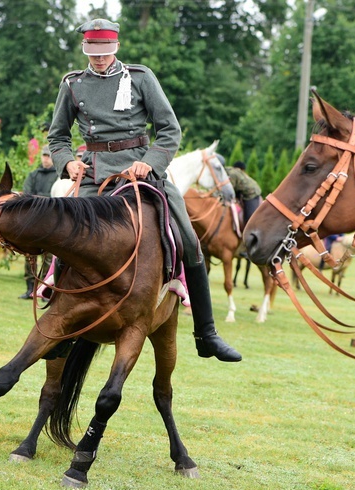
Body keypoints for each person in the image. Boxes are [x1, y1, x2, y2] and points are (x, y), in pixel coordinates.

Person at [47, 18, 240, 362]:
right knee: (67, 236)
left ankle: (206, 333)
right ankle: (60, 324)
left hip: (142, 168)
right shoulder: (73, 84)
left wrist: (150, 162)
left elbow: (170, 130)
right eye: (93, 52)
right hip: (94, 174)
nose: (99, 58)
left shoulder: (140, 77)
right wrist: (67, 162)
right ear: (85, 49)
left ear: (116, 47)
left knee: (187, 238)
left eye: (105, 52)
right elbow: (58, 136)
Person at [18, 145, 57, 299]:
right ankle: (29, 289)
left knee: (48, 259)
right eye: (44, 155)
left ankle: (45, 290)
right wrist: (44, 198)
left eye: (48, 156)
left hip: (50, 223)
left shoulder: (59, 177)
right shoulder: (33, 175)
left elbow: (57, 198)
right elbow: (26, 196)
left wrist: (38, 197)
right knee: (30, 257)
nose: (46, 159)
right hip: (33, 222)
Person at [225, 160, 261, 227]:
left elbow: (230, 189)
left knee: (249, 220)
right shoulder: (235, 172)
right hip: (242, 192)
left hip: (251, 194)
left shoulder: (232, 173)